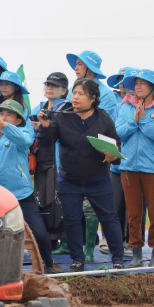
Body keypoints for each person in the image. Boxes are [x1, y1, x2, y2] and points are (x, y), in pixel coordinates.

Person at [38, 78, 126, 272]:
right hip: (69, 179)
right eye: (74, 93)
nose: (75, 97)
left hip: (98, 178)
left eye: (81, 94)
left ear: (93, 98)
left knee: (109, 218)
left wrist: (113, 156)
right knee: (72, 219)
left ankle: (117, 259)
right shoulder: (62, 116)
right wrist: (44, 127)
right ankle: (77, 260)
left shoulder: (103, 118)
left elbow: (116, 143)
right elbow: (47, 142)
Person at [0, 100, 61, 273]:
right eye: (1, 113)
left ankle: (48, 263)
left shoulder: (25, 131)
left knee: (39, 233)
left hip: (21, 194)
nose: (2, 117)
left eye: (9, 114)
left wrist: (4, 125)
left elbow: (24, 142)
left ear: (18, 120)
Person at [115, 69, 154, 267]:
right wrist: (134, 120)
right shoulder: (126, 107)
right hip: (128, 166)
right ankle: (136, 253)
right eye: (136, 83)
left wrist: (144, 119)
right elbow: (119, 132)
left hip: (153, 167)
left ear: (153, 87)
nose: (137, 87)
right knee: (133, 213)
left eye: (142, 83)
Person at [30, 72, 70, 253]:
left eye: (54, 85)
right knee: (42, 198)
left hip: (59, 159)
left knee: (59, 200)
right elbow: (29, 132)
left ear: (64, 90)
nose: (49, 88)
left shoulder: (67, 108)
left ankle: (64, 240)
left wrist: (46, 126)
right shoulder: (38, 107)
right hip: (41, 158)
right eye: (48, 84)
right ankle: (49, 240)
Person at [105, 67, 138, 256]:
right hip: (118, 162)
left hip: (140, 164)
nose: (126, 88)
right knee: (116, 204)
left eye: (131, 83)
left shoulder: (150, 105)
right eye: (123, 83)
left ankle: (134, 244)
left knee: (135, 209)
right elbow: (116, 133)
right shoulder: (118, 106)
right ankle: (116, 243)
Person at [66, 51, 120, 119]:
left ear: (89, 68)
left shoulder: (106, 93)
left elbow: (105, 122)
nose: (76, 68)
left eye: (79, 64)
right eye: (76, 64)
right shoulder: (72, 89)